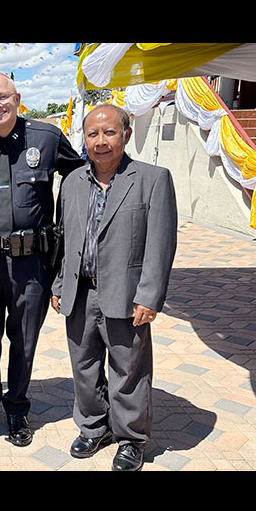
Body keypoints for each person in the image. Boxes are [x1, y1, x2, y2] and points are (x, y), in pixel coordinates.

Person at [50, 104, 178, 471]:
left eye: (109, 132)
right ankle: (94, 427)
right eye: (93, 134)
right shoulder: (72, 182)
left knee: (128, 371)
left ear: (126, 135)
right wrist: (59, 283)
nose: (100, 141)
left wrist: (149, 296)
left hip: (127, 295)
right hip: (80, 292)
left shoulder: (153, 179)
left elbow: (161, 243)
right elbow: (64, 239)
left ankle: (131, 439)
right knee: (84, 367)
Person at [0, 72, 84, 447]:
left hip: (31, 263)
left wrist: (69, 234)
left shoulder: (46, 138)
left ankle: (17, 407)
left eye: (3, 97)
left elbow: (80, 179)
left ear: (17, 98)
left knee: (24, 340)